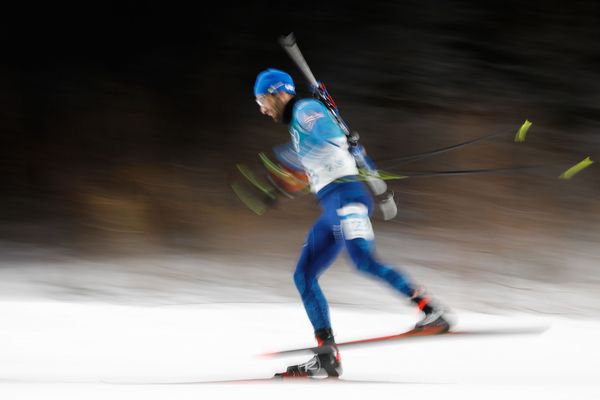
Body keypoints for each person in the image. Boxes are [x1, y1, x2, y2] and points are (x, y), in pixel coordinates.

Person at [253, 68, 451, 378]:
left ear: (279, 93)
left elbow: (326, 137)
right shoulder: (298, 121)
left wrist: (296, 159)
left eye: (262, 100)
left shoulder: (306, 109)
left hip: (346, 199)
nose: (262, 109)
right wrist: (279, 187)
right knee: (304, 276)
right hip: (333, 204)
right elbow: (317, 161)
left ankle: (431, 310)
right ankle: (326, 356)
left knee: (364, 261)